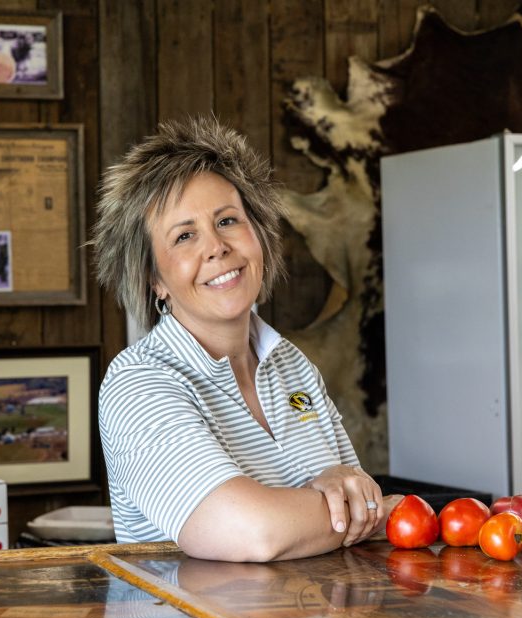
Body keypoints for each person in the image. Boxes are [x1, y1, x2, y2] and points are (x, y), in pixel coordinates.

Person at [91, 116, 401, 563]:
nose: (216, 247)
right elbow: (251, 532)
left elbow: (355, 496)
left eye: (228, 220)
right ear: (153, 279)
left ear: (259, 235)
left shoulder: (292, 365)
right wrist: (372, 514)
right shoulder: (138, 384)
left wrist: (347, 492)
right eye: (184, 236)